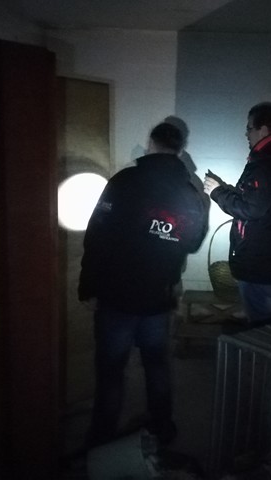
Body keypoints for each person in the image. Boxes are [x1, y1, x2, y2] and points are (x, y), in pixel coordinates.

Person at [78, 122, 209, 449]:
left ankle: (102, 439)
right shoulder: (188, 191)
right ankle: (162, 428)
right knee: (156, 365)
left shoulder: (123, 182)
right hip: (158, 296)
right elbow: (193, 243)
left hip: (117, 295)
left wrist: (88, 286)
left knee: (111, 371)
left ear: (150, 143)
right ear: (180, 149)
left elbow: (96, 236)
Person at [203, 102, 271, 327]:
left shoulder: (265, 163)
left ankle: (264, 346)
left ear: (263, 129)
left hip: (261, 263)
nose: (246, 135)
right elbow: (265, 201)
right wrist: (229, 191)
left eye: (249, 129)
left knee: (263, 329)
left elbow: (251, 209)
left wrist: (217, 192)